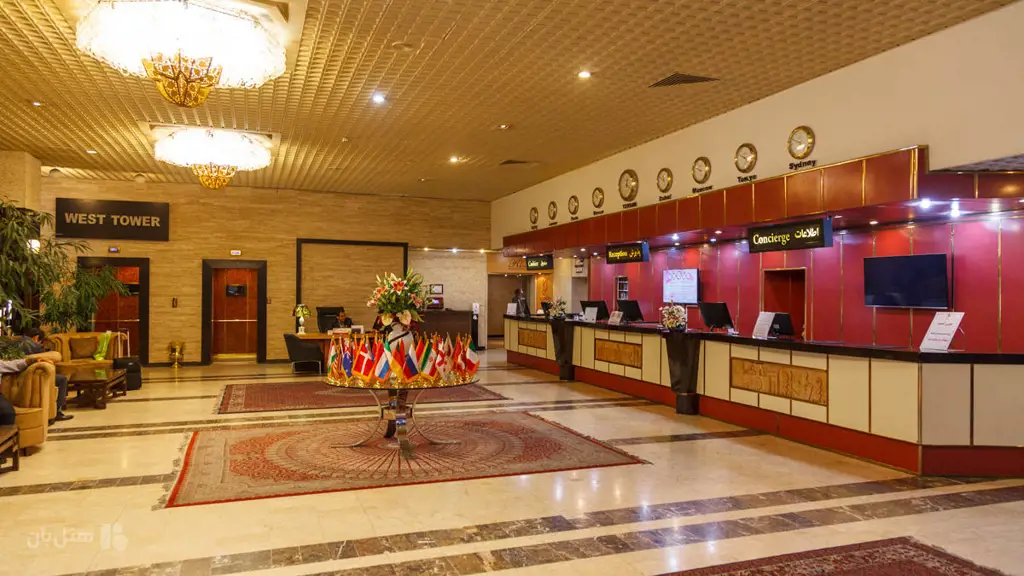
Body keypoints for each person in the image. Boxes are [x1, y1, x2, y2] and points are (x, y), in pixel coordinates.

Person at [19, 328, 73, 423]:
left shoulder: (17, 342)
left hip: (17, 376)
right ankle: (57, 412)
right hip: (33, 376)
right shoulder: (35, 346)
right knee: (62, 379)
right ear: (36, 338)